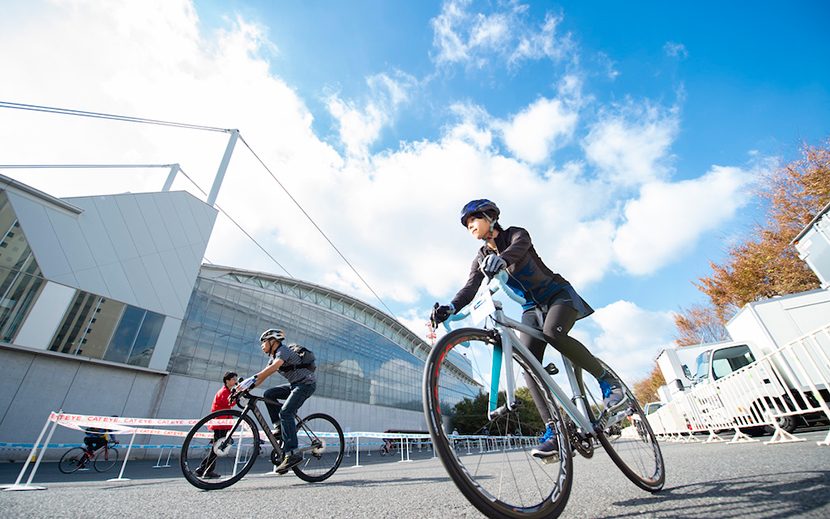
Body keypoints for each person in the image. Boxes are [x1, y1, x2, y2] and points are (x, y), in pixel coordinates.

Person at [430, 199, 625, 459]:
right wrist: (450, 308)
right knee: (528, 365)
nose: (470, 227)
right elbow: (470, 287)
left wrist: (501, 260)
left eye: (473, 220)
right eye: (466, 226)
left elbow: (518, 250)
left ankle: (608, 381)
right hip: (531, 307)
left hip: (556, 295)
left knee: (553, 333)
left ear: (490, 217)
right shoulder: (480, 257)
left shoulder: (516, 234)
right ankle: (554, 431)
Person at [236, 328, 316, 473]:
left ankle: (293, 453)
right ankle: (279, 427)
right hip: (294, 385)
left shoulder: (282, 350)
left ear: (273, 341)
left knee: (286, 412)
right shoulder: (273, 358)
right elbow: (263, 376)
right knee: (269, 393)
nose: (262, 345)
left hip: (306, 384)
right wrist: (245, 389)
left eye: (264, 342)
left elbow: (274, 368)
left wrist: (251, 379)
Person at [196, 371, 238, 479]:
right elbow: (229, 403)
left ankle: (204, 469)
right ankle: (204, 469)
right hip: (220, 423)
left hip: (223, 423)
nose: (235, 381)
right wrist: (237, 395)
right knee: (217, 448)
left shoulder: (227, 391)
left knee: (217, 447)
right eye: (233, 379)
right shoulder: (224, 392)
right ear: (227, 380)